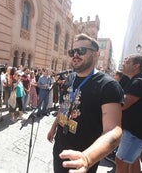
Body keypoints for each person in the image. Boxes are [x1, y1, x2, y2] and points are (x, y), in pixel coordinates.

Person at [47, 33, 124, 173]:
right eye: (72, 52)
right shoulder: (70, 78)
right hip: (60, 147)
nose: (75, 55)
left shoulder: (108, 85)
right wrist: (53, 127)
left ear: (95, 54)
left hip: (83, 155)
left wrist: (87, 158)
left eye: (81, 51)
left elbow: (114, 130)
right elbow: (64, 106)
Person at [115, 55, 142, 173]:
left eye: (127, 61)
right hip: (138, 132)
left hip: (135, 133)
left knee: (120, 161)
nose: (123, 64)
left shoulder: (139, 82)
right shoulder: (139, 80)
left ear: (136, 66)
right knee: (132, 160)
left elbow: (122, 105)